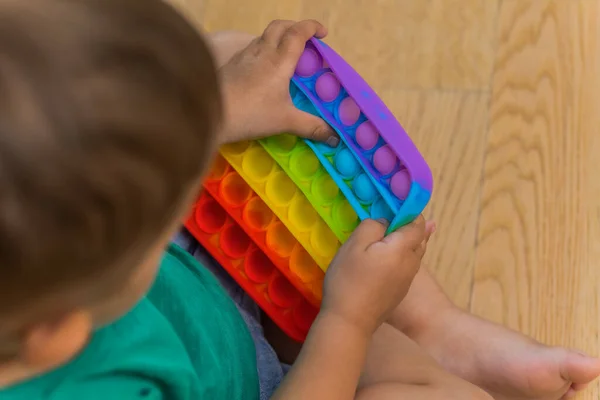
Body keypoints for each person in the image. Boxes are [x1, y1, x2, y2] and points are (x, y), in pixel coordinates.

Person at [0, 1, 597, 400]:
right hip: (266, 382)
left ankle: (440, 331)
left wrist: (217, 110)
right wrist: (349, 321)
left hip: (182, 290)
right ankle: (415, 349)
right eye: (164, 205)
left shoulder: (45, 278)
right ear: (55, 332)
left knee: (226, 62)